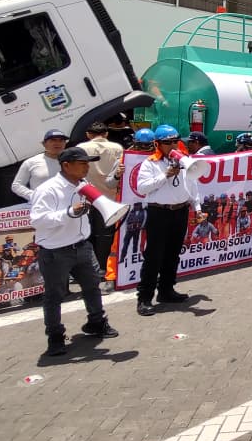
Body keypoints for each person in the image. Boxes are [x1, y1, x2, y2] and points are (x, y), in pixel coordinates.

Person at [29, 147, 119, 356]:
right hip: (56, 251)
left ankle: (96, 322)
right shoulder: (48, 189)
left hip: (82, 246)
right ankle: (55, 336)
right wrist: (69, 213)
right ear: (66, 165)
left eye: (88, 163)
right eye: (82, 163)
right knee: (54, 295)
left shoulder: (83, 185)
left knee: (93, 286)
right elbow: (37, 220)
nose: (87, 167)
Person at [135, 124, 199, 316]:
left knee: (173, 254)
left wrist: (197, 208)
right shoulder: (150, 163)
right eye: (167, 142)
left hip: (180, 212)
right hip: (159, 213)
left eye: (175, 141)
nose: (172, 145)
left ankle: (166, 290)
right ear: (157, 143)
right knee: (154, 256)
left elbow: (192, 185)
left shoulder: (184, 160)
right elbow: (142, 188)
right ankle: (145, 298)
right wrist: (165, 175)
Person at [77, 121, 123, 283]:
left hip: (88, 197)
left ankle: (88, 269)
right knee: (106, 236)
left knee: (86, 236)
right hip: (111, 197)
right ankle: (103, 267)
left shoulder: (81, 147)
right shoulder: (118, 148)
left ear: (89, 134)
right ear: (106, 134)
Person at [11, 129, 67, 201]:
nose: (58, 143)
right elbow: (16, 185)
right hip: (41, 206)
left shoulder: (72, 162)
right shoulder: (31, 162)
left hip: (66, 204)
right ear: (44, 144)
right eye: (53, 140)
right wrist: (34, 196)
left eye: (61, 140)